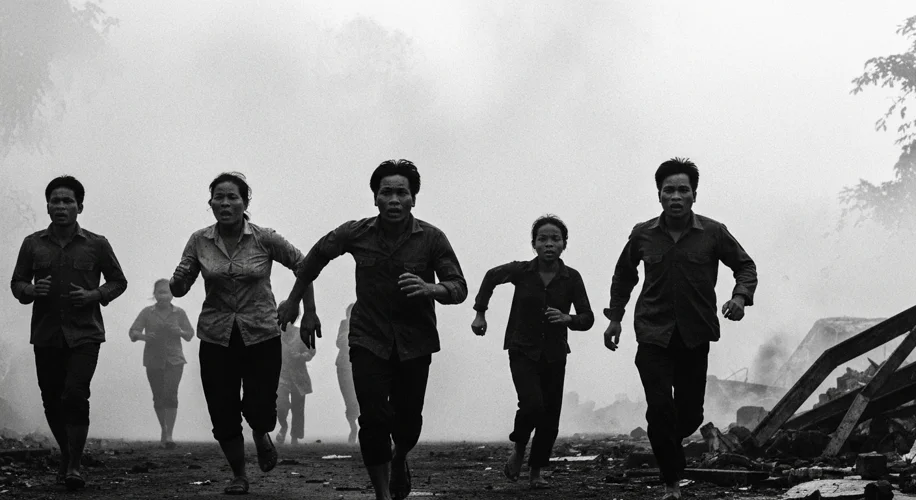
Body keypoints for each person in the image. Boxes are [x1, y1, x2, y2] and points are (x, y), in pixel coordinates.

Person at [279, 159, 467, 500]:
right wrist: (301, 306)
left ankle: (400, 458)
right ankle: (381, 495)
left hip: (416, 341)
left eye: (401, 193)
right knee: (374, 418)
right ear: (375, 198)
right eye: (386, 193)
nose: (394, 200)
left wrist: (431, 289)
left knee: (407, 424)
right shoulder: (356, 233)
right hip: (368, 339)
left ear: (413, 199)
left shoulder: (432, 239)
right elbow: (314, 258)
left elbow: (458, 286)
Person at [602, 158, 757, 500]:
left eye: (682, 190)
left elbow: (745, 266)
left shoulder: (713, 232)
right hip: (653, 334)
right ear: (659, 194)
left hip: (695, 334)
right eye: (669, 189)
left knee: (688, 416)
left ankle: (672, 455)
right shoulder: (643, 234)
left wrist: (740, 298)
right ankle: (672, 483)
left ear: (694, 195)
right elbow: (624, 276)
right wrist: (615, 318)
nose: (676, 196)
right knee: (659, 410)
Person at [169, 172, 318, 496]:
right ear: (210, 203)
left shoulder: (264, 238)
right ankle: (239, 475)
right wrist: (177, 282)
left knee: (260, 407)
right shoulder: (199, 241)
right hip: (216, 335)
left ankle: (261, 433)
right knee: (222, 410)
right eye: (218, 197)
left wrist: (306, 310)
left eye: (232, 197)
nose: (225, 203)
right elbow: (181, 285)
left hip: (260, 334)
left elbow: (304, 265)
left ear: (245, 202)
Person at [10, 175, 128, 491]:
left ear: (80, 207)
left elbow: (118, 281)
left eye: (68, 201)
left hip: (85, 334)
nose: (61, 206)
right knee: (51, 399)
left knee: (74, 394)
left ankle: (74, 465)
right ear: (47, 206)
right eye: (56, 201)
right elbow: (17, 283)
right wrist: (31, 291)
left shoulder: (97, 243)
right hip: (46, 334)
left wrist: (95, 296)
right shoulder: (32, 243)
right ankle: (67, 453)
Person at [471, 215, 594, 489]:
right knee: (532, 405)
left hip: (555, 353)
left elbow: (588, 317)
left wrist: (568, 319)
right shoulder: (521, 271)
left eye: (555, 239)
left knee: (550, 417)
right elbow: (491, 276)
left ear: (564, 244)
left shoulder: (571, 278)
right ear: (533, 244)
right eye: (543, 239)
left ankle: (536, 472)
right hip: (522, 347)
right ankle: (518, 448)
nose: (549, 244)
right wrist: (480, 313)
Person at [128, 279, 195, 449]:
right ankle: (163, 429)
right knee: (158, 396)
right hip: (153, 359)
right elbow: (133, 332)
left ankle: (170, 434)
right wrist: (144, 336)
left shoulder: (179, 313)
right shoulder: (147, 313)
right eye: (160, 292)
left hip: (175, 359)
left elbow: (190, 334)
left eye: (167, 292)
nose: (163, 296)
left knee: (171, 394)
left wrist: (178, 331)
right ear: (154, 295)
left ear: (172, 294)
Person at [275, 300, 316, 446]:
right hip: (280, 375)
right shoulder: (274, 334)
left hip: (299, 376)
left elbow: (311, 350)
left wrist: (301, 357)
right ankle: (284, 427)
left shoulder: (301, 333)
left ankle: (294, 437)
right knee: (281, 405)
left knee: (298, 409)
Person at [336, 303, 360, 444]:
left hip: (359, 364)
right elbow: (339, 342)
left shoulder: (365, 323)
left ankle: (363, 427)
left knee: (361, 398)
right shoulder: (344, 324)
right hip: (343, 366)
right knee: (349, 401)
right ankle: (353, 426)